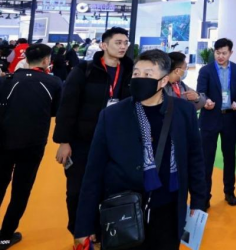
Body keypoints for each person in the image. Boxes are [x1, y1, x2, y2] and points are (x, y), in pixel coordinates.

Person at [72, 50, 207, 250]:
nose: (139, 78)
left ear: (163, 81)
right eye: (136, 73)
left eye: (147, 74)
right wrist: (84, 224)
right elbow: (93, 172)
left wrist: (197, 202)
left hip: (168, 210)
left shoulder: (183, 111)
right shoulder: (112, 115)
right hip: (123, 210)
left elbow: (195, 159)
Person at [53, 26, 133, 236]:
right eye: (118, 42)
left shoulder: (131, 71)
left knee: (111, 187)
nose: (123, 46)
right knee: (77, 189)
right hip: (83, 140)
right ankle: (80, 231)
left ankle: (104, 230)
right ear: (104, 45)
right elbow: (67, 106)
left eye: (125, 43)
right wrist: (64, 141)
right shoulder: (84, 70)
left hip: (117, 142)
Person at [0, 44, 62, 249]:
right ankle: (5, 236)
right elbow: (56, 110)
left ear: (25, 59)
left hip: (4, 140)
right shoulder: (53, 82)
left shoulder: (7, 80)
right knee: (21, 190)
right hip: (33, 143)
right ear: (46, 60)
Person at [196, 38, 236, 208]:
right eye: (218, 53)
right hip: (210, 117)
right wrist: (206, 101)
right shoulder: (206, 70)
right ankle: (205, 196)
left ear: (231, 53)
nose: (220, 56)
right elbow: (201, 92)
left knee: (230, 156)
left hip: (230, 117)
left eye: (224, 53)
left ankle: (229, 191)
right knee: (206, 158)